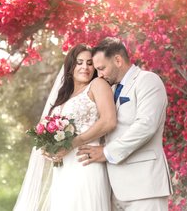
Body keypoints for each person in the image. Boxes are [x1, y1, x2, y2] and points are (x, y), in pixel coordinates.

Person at [14, 44, 117, 211]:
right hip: (63, 169)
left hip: (86, 164)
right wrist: (49, 147)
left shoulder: (98, 85)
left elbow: (109, 121)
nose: (85, 67)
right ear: (70, 67)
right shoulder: (65, 96)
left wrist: (72, 143)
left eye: (90, 63)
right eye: (80, 62)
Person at [77, 37, 173, 211]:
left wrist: (106, 152)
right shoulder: (111, 90)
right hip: (115, 189)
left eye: (102, 68)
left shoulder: (147, 80)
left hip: (145, 186)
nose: (100, 75)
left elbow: (146, 125)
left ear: (118, 60)